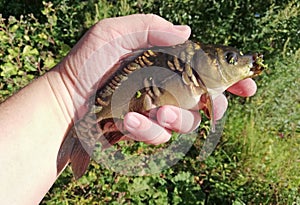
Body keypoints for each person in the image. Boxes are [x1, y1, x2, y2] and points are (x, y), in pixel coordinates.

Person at [0, 14, 257, 204]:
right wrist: (66, 95)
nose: (239, 62)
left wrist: (64, 101)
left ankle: (95, 127)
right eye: (230, 59)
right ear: (203, 60)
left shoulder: (201, 82)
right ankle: (84, 131)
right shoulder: (181, 53)